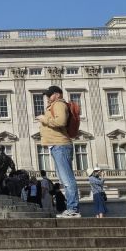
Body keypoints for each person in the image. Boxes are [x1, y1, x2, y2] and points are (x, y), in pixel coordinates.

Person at [38, 85, 81, 218]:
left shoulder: (59, 104)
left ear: (57, 94)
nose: (47, 98)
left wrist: (44, 119)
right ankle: (71, 208)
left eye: (49, 95)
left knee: (67, 180)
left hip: (60, 145)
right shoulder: (55, 104)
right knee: (64, 179)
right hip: (57, 146)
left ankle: (73, 209)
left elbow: (61, 121)